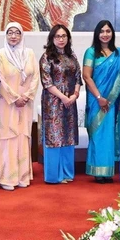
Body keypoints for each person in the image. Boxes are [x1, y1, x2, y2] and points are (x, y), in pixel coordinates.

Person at [0, 22, 40, 190]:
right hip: (6, 103)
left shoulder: (29, 53)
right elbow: (0, 79)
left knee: (22, 137)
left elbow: (35, 77)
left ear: (21, 35)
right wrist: (14, 97)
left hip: (25, 104)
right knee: (7, 138)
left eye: (17, 33)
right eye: (10, 32)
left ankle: (22, 177)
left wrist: (26, 96)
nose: (13, 36)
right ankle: (5, 178)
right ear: (5, 35)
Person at [39, 24, 82, 184]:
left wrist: (75, 95)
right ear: (52, 38)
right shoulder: (46, 57)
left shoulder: (72, 56)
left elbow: (78, 78)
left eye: (64, 36)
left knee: (68, 135)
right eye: (58, 36)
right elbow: (47, 82)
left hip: (70, 101)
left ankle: (67, 173)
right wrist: (63, 97)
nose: (61, 39)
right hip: (53, 102)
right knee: (54, 136)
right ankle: (54, 176)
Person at [82, 20, 120, 183]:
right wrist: (99, 97)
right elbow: (86, 76)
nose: (105, 34)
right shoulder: (91, 52)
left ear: (112, 33)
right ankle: (97, 171)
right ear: (97, 34)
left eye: (108, 31)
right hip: (97, 100)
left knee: (109, 135)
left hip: (112, 101)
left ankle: (108, 171)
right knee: (98, 134)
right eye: (102, 31)